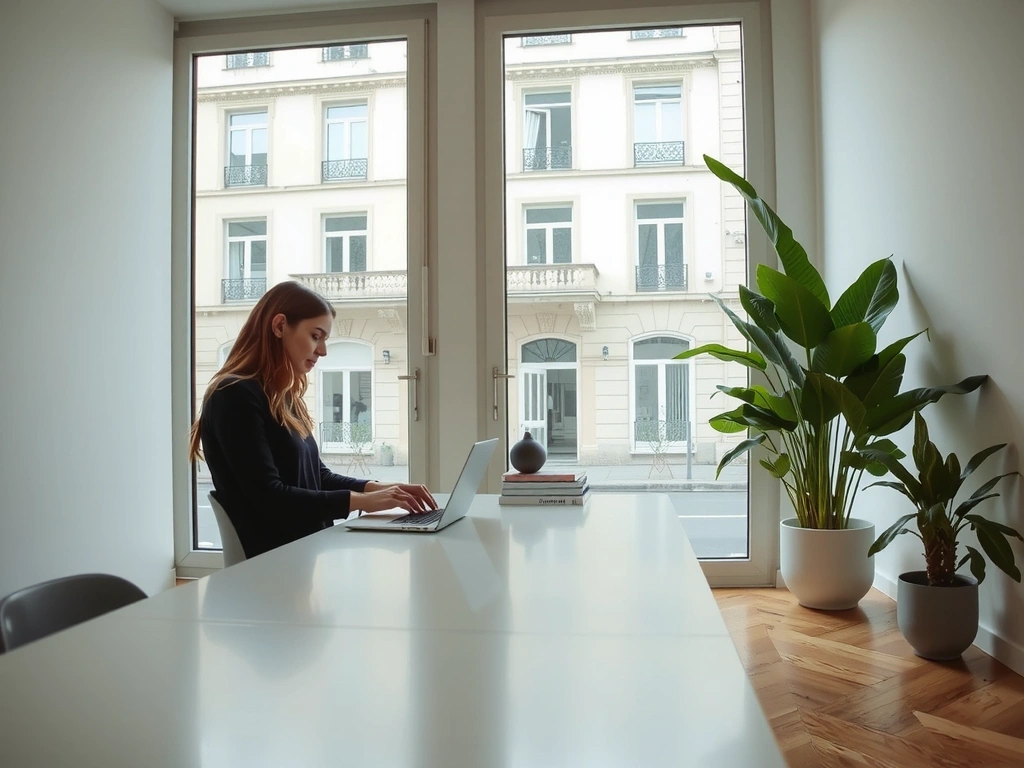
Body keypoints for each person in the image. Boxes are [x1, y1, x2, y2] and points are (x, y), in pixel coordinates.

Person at [188, 280, 436, 559]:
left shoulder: (281, 395)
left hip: (307, 551)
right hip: (274, 563)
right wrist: (364, 501)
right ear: (280, 326)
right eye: (316, 336)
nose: (323, 351)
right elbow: (269, 497)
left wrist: (384, 489)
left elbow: (317, 476)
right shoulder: (233, 394)